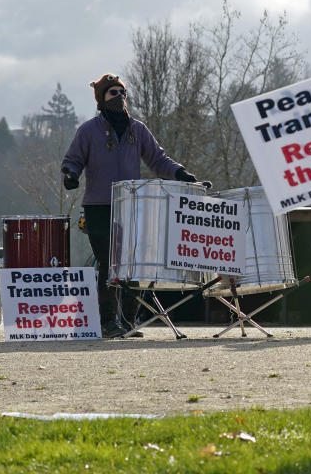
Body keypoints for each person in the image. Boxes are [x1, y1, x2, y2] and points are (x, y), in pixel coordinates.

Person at [61, 73, 207, 338]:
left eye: (122, 92)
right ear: (101, 99)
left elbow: (158, 159)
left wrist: (180, 173)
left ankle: (129, 321)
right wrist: (70, 174)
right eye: (112, 93)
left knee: (133, 263)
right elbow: (73, 159)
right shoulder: (88, 130)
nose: (119, 97)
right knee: (108, 264)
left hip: (131, 206)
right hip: (99, 206)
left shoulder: (137, 129)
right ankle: (107, 322)